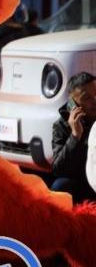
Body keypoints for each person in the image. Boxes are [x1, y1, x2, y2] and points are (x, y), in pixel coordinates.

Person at [51, 72, 96, 204]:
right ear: (73, 104)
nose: (95, 100)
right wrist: (75, 136)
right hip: (82, 182)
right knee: (60, 186)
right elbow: (58, 169)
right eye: (86, 97)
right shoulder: (61, 125)